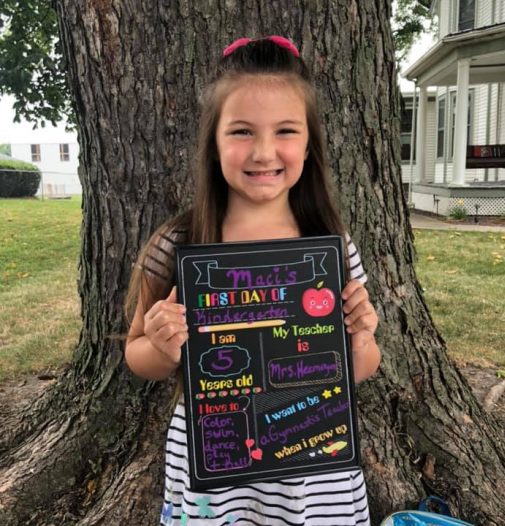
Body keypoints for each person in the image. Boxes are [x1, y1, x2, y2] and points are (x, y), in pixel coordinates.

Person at [125, 36, 381, 526]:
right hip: (217, 454)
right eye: (242, 131)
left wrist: (362, 339)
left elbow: (362, 367)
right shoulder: (178, 242)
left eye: (285, 130)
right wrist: (160, 346)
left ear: (309, 144)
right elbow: (137, 355)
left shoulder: (330, 246)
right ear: (213, 143)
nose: (264, 152)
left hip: (313, 454)